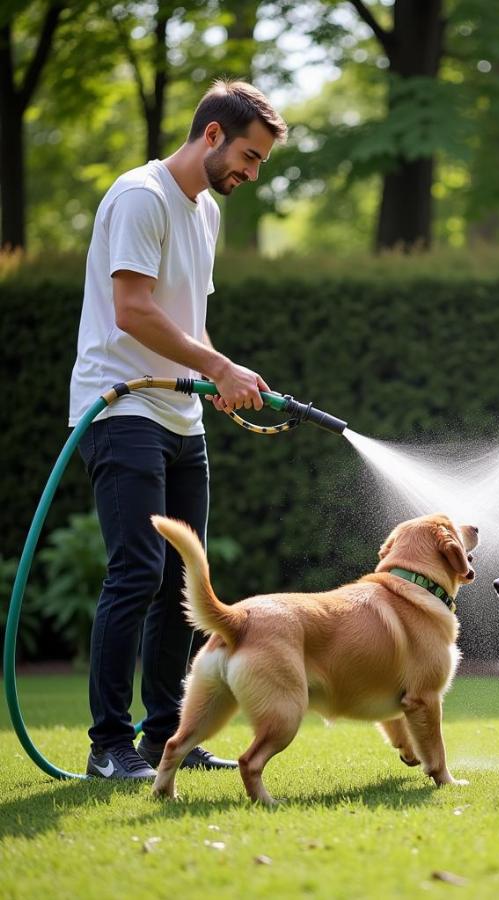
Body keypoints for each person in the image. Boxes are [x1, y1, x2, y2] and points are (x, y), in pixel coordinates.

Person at [69, 80, 287, 779]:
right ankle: (109, 747)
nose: (250, 175)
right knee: (137, 570)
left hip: (179, 413)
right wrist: (218, 365)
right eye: (249, 158)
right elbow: (131, 309)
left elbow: (186, 321)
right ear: (213, 134)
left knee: (182, 584)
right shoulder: (141, 197)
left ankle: (170, 738)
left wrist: (216, 378)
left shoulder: (204, 215)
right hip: (121, 407)